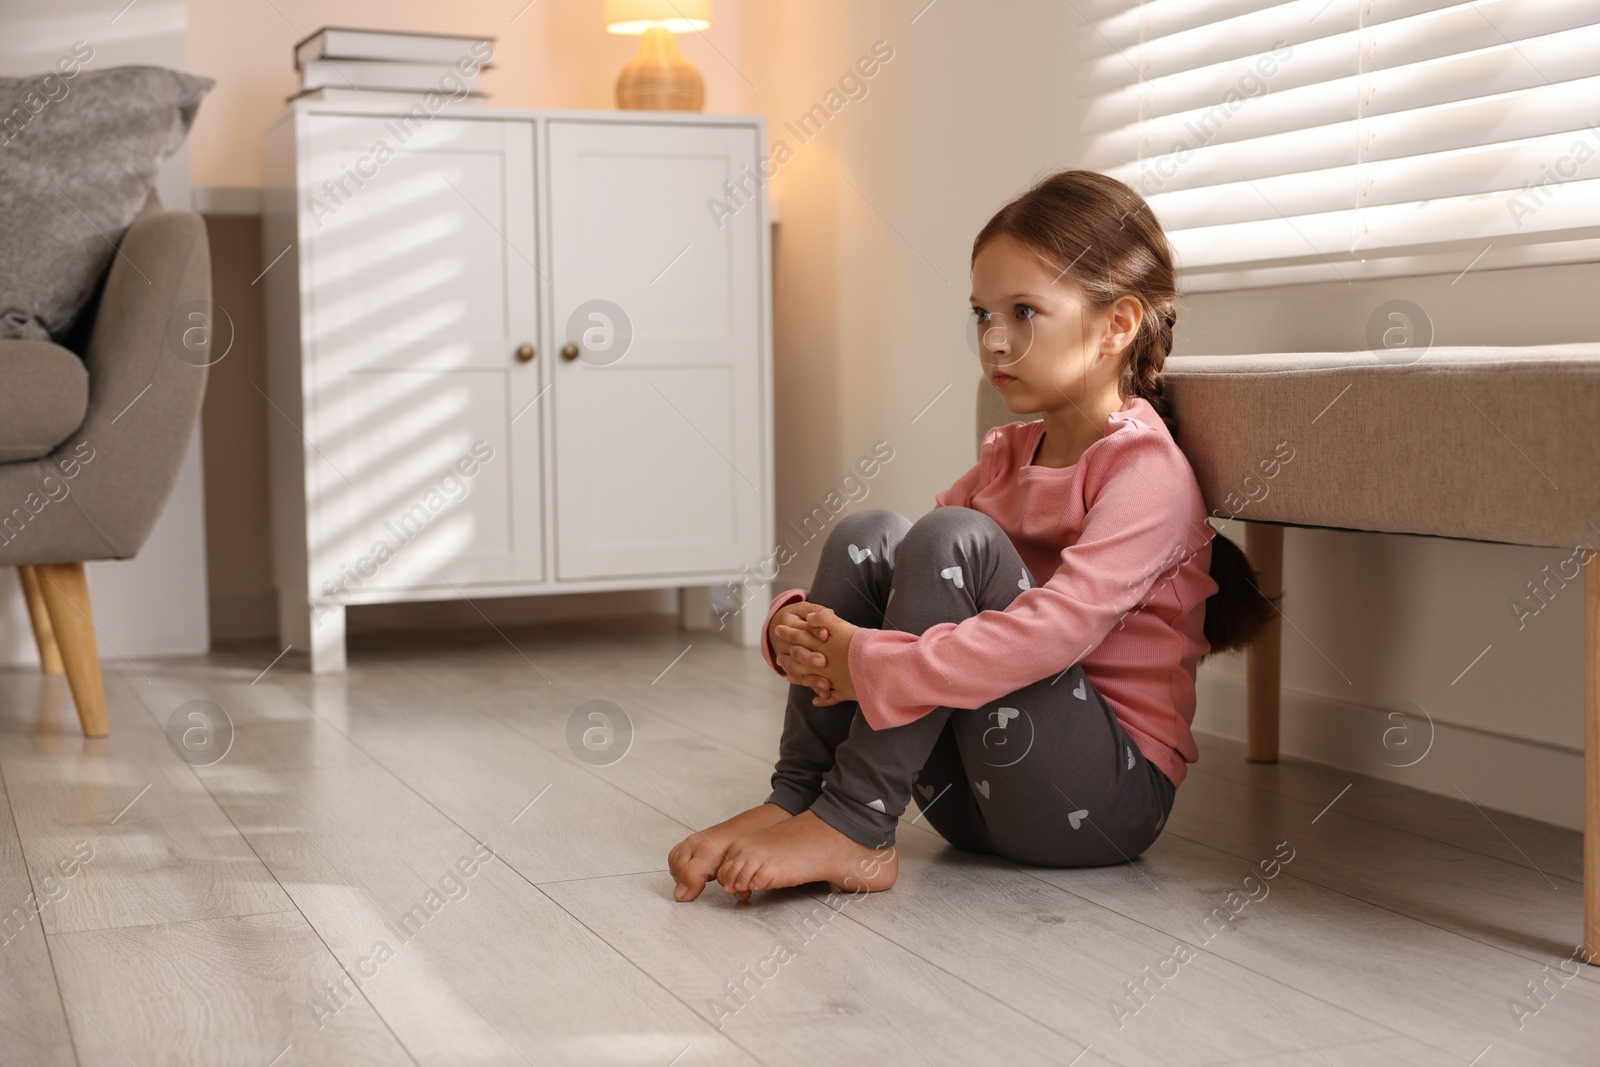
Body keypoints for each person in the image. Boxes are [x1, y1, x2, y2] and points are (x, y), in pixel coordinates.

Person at [668, 169, 1276, 903]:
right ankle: (802, 796)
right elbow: (905, 589)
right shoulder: (1009, 454)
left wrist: (870, 662)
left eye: (1023, 312)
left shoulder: (1147, 471)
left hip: (1101, 805)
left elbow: (1056, 631)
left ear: (1117, 325)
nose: (993, 339)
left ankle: (855, 823)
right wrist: (799, 626)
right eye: (982, 314)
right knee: (871, 535)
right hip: (978, 798)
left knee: (952, 537)